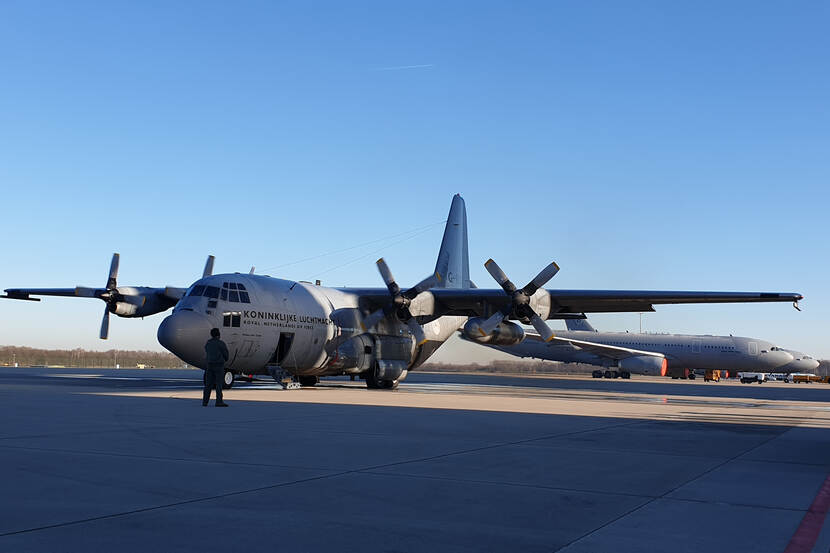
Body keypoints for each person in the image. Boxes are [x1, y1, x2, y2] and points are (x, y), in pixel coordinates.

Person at [203, 328, 229, 407]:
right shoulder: (220, 343)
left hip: (209, 365)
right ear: (218, 334)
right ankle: (219, 401)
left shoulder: (208, 343)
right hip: (218, 365)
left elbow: (206, 351)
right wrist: (224, 359)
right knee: (218, 384)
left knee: (208, 385)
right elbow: (226, 354)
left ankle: (205, 402)